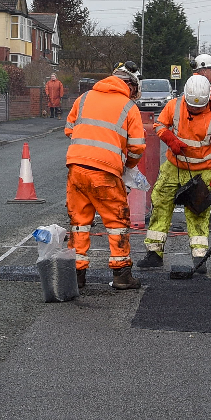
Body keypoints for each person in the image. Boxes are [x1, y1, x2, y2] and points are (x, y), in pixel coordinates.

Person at [137, 74, 211, 273]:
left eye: (199, 107)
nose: (195, 109)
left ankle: (199, 258)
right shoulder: (174, 106)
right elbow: (160, 126)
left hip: (202, 171)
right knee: (161, 204)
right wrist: (171, 140)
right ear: (185, 98)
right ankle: (154, 253)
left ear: (208, 101)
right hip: (174, 166)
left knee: (198, 213)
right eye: (192, 106)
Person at [65, 61, 146, 290]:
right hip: (106, 172)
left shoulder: (84, 98)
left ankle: (76, 276)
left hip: (76, 168)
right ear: (130, 84)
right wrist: (127, 166)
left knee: (79, 222)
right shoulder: (129, 107)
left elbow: (70, 129)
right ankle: (121, 274)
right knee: (117, 221)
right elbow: (138, 147)